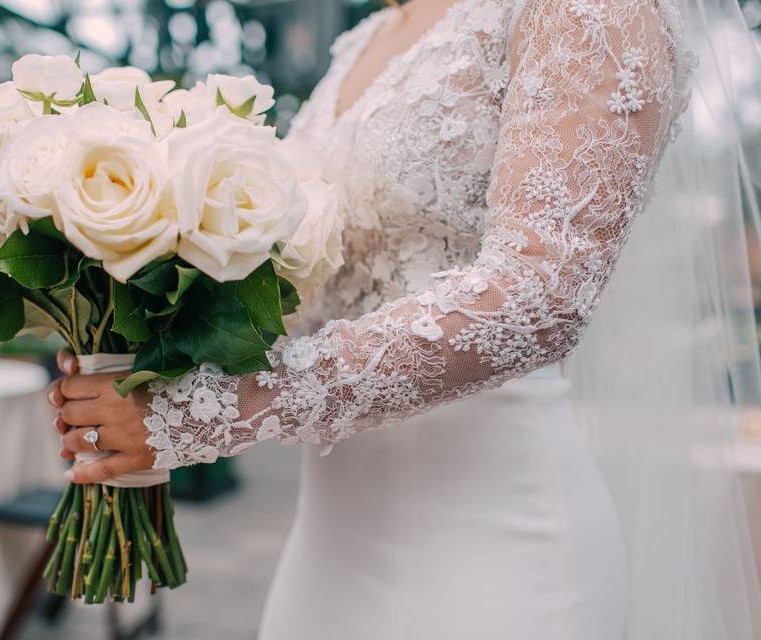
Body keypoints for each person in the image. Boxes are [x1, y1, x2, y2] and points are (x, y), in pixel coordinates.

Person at [47, 0, 761, 636]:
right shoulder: (367, 36)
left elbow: (542, 292)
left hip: (498, 547)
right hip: (327, 549)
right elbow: (311, 280)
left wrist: (208, 413)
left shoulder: (587, 10)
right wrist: (148, 359)